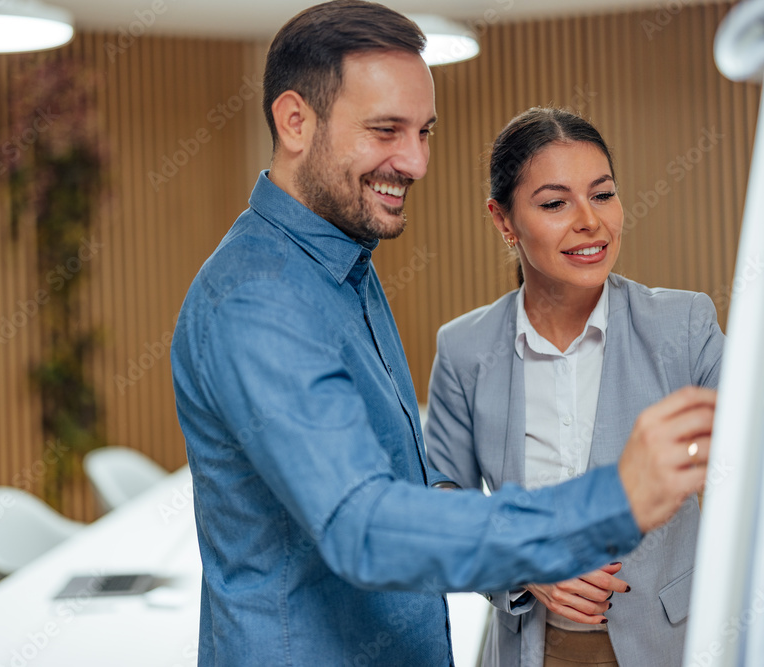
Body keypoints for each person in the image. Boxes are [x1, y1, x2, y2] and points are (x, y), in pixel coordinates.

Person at [171, 2, 715, 664]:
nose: (417, 161)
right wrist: (610, 500)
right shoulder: (259, 298)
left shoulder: (343, 268)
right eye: (386, 130)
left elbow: (416, 482)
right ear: (295, 121)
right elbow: (364, 526)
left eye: (424, 131)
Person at [423, 107, 724, 667]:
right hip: (527, 649)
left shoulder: (684, 327)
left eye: (603, 194)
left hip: (672, 645)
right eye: (555, 203)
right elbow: (440, 503)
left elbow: (746, 452)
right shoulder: (464, 349)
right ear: (503, 220)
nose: (590, 221)